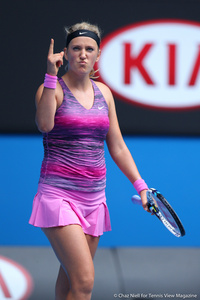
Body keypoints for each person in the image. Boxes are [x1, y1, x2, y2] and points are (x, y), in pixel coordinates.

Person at [29, 21, 150, 300]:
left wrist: (141, 185)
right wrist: (50, 75)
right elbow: (44, 125)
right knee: (84, 282)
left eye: (89, 49)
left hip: (94, 201)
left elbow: (117, 145)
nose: (83, 54)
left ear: (97, 55)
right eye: (76, 48)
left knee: (71, 282)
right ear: (65, 53)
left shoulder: (104, 93)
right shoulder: (52, 89)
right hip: (59, 197)